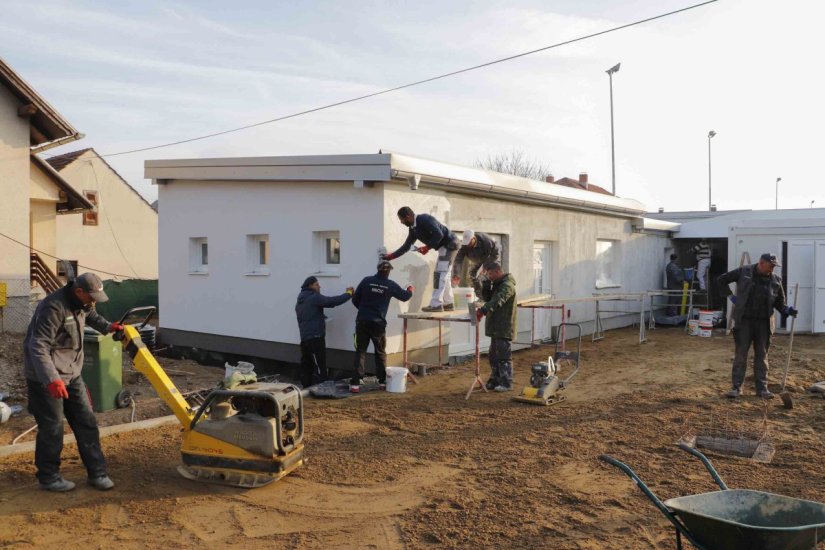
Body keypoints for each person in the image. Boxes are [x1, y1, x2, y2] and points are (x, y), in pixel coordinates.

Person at [23, 273, 123, 492]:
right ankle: (48, 477)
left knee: (86, 422)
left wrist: (108, 327)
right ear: (79, 291)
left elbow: (92, 315)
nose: (94, 301)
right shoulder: (53, 308)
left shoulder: (82, 303)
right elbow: (37, 346)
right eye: (92, 296)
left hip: (72, 373)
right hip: (46, 378)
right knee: (53, 427)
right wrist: (52, 379)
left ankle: (97, 473)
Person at [717, 253, 797, 399]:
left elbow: (779, 303)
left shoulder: (776, 280)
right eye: (771, 265)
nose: (772, 269)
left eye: (774, 266)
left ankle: (762, 389)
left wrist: (787, 310)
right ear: (761, 262)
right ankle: (736, 388)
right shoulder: (744, 272)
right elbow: (721, 280)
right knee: (741, 355)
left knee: (762, 356)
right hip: (744, 321)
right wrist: (731, 297)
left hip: (764, 323)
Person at [350, 260, 413, 392]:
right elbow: (405, 296)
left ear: (377, 269)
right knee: (380, 352)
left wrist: (363, 310)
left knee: (360, 351)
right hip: (378, 324)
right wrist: (410, 289)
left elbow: (355, 299)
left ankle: (355, 384)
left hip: (362, 321)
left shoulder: (366, 281)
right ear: (389, 271)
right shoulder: (390, 285)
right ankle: (382, 382)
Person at [382, 206, 458, 312]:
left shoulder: (424, 219)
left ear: (408, 216)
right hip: (444, 247)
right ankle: (448, 303)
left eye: (401, 219)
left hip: (450, 245)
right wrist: (391, 256)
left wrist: (427, 247)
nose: (401, 222)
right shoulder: (413, 229)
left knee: (440, 274)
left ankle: (436, 304)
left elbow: (439, 234)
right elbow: (407, 246)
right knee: (443, 274)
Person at [295, 276, 353, 387]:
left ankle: (306, 390)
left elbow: (309, 315)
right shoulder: (314, 297)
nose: (319, 286)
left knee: (307, 366)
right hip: (315, 339)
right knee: (320, 365)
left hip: (304, 339)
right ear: (310, 286)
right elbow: (332, 301)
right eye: (317, 284)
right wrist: (348, 294)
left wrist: (322, 317)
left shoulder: (300, 301)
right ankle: (323, 389)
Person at [475, 262, 517, 392]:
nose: (489, 276)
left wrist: (482, 311)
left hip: (503, 326)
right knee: (493, 355)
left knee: (503, 356)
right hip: (496, 326)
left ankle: (506, 382)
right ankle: (495, 380)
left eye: (490, 274)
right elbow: (488, 298)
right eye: (487, 274)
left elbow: (497, 301)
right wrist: (486, 284)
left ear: (497, 272)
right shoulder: (497, 285)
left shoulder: (507, 286)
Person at [452, 230, 500, 295]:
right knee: (471, 275)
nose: (467, 245)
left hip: (490, 259)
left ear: (474, 238)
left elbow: (495, 254)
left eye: (469, 243)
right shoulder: (465, 245)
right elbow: (458, 260)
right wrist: (456, 274)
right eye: (466, 243)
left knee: (489, 275)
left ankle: (495, 294)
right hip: (477, 260)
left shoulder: (486, 241)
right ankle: (480, 295)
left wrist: (486, 267)